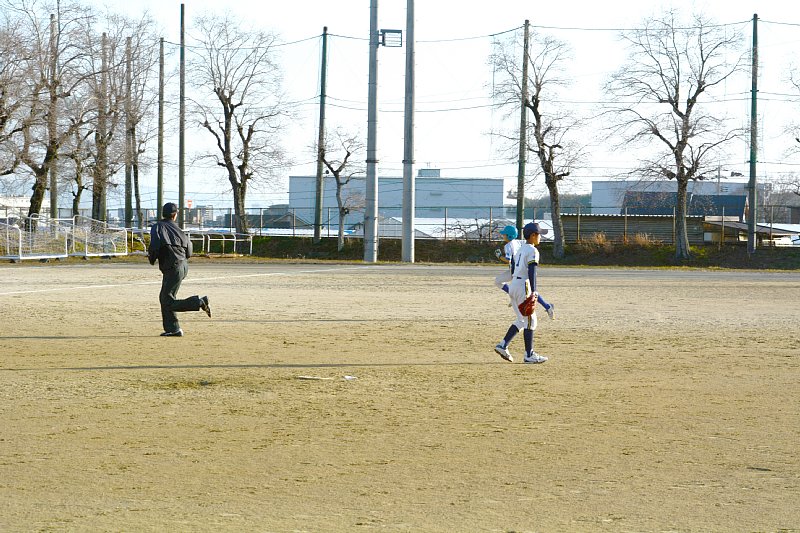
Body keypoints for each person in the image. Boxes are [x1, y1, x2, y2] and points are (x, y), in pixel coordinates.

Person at [148, 202, 211, 337]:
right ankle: (173, 329)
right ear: (175, 215)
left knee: (166, 300)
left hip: (173, 267)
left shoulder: (157, 227)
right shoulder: (179, 230)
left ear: (163, 214)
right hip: (183, 265)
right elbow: (189, 250)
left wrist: (152, 258)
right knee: (166, 297)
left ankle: (199, 302)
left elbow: (155, 245)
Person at [494, 222, 549, 364]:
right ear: (533, 235)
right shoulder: (532, 250)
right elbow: (532, 271)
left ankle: (503, 345)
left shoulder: (521, 248)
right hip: (523, 285)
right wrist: (534, 291)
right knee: (531, 321)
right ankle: (529, 354)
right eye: (539, 234)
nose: (540, 237)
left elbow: (513, 266)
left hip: (513, 284)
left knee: (521, 320)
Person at [494, 224, 555, 320]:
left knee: (498, 281)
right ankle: (547, 306)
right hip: (522, 269)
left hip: (516, 271)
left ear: (509, 235)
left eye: (504, 234)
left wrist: (499, 256)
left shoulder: (508, 245)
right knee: (530, 292)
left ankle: (547, 306)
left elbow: (508, 259)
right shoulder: (519, 242)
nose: (503, 236)